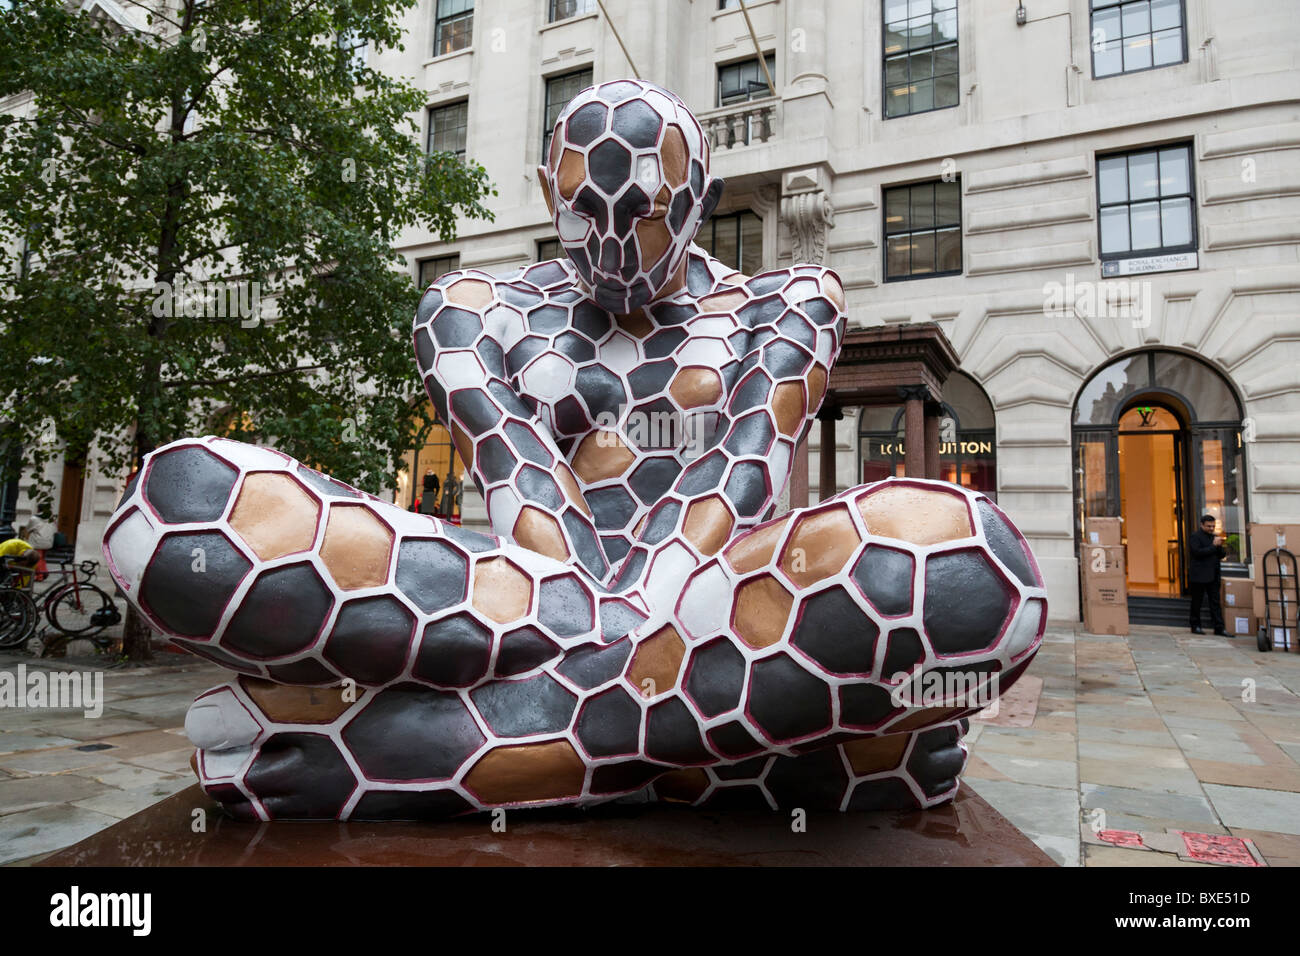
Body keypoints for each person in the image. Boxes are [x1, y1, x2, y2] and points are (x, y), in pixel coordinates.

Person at [102, 79, 1048, 821]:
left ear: (697, 196)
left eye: (635, 209)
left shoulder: (788, 302)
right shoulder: (473, 310)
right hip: (531, 604)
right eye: (575, 212)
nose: (604, 244)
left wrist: (641, 629)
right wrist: (637, 656)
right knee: (181, 515)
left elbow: (738, 482)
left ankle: (440, 755)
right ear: (548, 194)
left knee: (961, 570)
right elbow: (530, 505)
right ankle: (718, 761)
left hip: (719, 604)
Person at [1188, 513, 1228, 636]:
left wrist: (1219, 546)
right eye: (1208, 526)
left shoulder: (1214, 537)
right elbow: (1197, 553)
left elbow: (1221, 555)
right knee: (1197, 602)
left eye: (1213, 526)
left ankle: (1219, 628)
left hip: (1213, 575)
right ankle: (1196, 626)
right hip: (1199, 575)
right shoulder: (1195, 536)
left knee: (1215, 602)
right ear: (1202, 525)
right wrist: (1213, 546)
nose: (1211, 528)